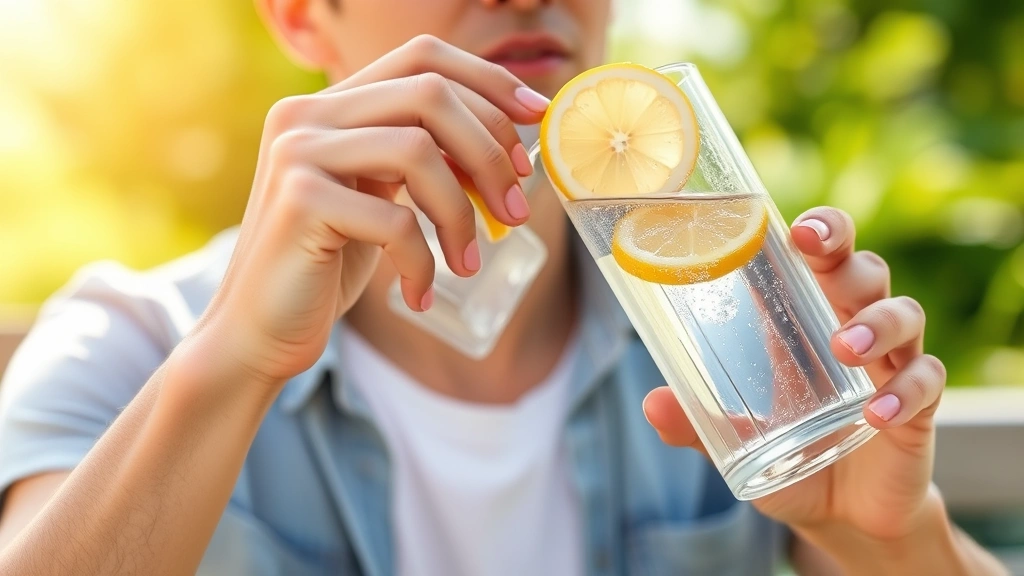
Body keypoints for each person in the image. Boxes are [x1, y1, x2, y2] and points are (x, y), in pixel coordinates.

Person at [0, 0, 1008, 574]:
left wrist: (884, 537)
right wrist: (233, 363)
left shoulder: (732, 334)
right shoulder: (126, 348)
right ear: (303, 16)